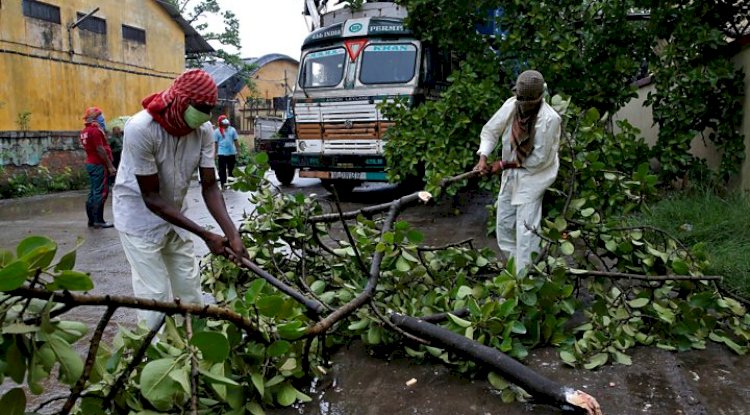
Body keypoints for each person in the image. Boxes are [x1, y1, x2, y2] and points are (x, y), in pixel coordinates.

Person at [113, 69, 249, 329]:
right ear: (181, 100)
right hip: (139, 219)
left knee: (190, 289)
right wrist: (207, 235)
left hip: (176, 216)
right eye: (200, 107)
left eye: (210, 108)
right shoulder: (141, 129)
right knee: (155, 296)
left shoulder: (204, 130)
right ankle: (157, 355)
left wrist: (231, 234)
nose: (205, 114)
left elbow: (210, 186)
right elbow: (151, 197)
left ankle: (195, 352)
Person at [473, 70, 561, 272]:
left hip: (534, 178)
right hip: (511, 174)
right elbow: (491, 131)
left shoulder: (550, 119)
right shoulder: (511, 106)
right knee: (504, 226)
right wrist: (483, 158)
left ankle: (524, 280)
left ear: (539, 98)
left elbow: (539, 159)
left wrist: (502, 164)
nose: (522, 103)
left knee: (526, 230)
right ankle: (517, 271)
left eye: (526, 100)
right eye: (519, 98)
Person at [79, 107, 116, 229]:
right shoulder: (95, 131)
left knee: (93, 192)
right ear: (95, 118)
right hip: (99, 164)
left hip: (91, 163)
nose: (103, 119)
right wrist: (110, 166)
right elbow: (100, 149)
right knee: (101, 192)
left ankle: (92, 220)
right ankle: (98, 220)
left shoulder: (85, 131)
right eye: (101, 116)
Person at [213, 114, 239, 190]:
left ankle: (231, 184)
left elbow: (236, 141)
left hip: (231, 153)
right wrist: (215, 153)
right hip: (221, 154)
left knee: (232, 170)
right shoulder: (217, 132)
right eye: (225, 124)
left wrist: (238, 150)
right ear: (221, 124)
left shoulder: (232, 130)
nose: (227, 125)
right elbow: (215, 143)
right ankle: (223, 185)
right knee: (222, 170)